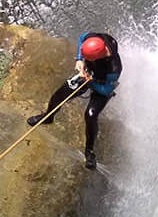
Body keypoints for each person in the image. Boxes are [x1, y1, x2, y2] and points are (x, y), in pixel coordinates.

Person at [27, 32, 122, 169]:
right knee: (58, 96)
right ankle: (48, 117)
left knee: (90, 115)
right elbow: (82, 37)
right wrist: (78, 59)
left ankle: (89, 152)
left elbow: (106, 90)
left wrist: (89, 82)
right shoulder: (95, 39)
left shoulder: (114, 67)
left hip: (102, 83)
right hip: (88, 73)